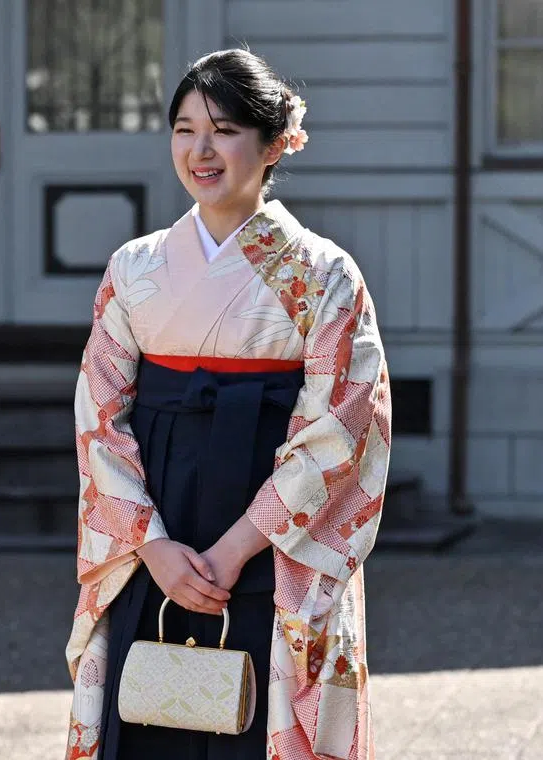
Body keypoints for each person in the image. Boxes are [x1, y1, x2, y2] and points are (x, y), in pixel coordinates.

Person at [64, 48, 391, 760]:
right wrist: (152, 546)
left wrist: (234, 550)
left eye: (224, 130)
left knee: (255, 725)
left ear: (274, 144)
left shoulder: (325, 274)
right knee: (147, 714)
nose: (200, 150)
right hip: (158, 519)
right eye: (184, 129)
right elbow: (100, 416)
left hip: (271, 532)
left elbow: (341, 427)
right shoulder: (135, 268)